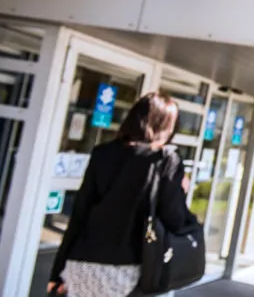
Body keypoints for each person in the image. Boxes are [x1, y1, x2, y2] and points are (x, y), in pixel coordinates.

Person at [47, 92, 198, 297]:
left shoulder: (102, 153)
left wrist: (57, 272)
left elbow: (79, 214)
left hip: (82, 265)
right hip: (130, 269)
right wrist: (182, 192)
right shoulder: (165, 159)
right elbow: (174, 217)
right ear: (165, 126)